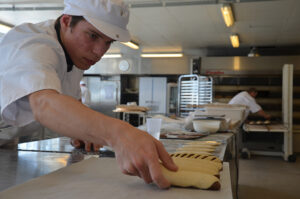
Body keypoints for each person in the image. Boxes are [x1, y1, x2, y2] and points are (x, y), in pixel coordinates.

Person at [0, 0, 177, 189]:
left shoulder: (76, 55)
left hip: (8, 143)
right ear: (67, 21)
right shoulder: (33, 44)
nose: (100, 51)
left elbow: (71, 99)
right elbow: (44, 105)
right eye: (92, 36)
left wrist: (83, 130)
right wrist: (119, 135)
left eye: (108, 42)